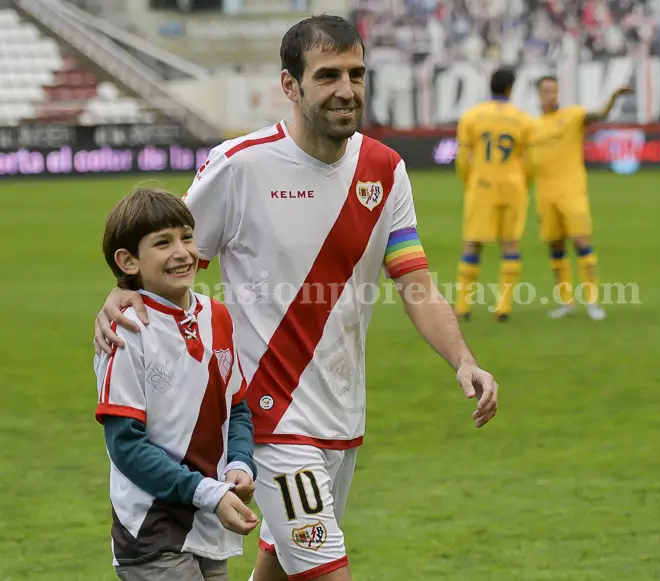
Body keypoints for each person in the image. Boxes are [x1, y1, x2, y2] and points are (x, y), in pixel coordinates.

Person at [93, 15, 499, 581]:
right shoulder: (239, 166)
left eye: (356, 74)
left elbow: (414, 278)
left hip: (343, 411)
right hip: (269, 419)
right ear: (291, 85)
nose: (346, 89)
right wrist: (121, 295)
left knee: (283, 570)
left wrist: (464, 360)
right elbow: (168, 249)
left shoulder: (385, 169)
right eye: (327, 75)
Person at [94, 187, 259, 581]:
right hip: (152, 525)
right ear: (128, 261)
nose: (182, 252)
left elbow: (235, 407)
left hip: (208, 518)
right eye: (162, 243)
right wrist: (206, 492)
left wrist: (239, 461)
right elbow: (126, 444)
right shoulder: (125, 330)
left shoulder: (217, 315)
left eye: (186, 236)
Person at [531, 76, 632, 320]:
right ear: (538, 94)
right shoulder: (531, 126)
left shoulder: (573, 115)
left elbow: (598, 116)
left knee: (582, 244)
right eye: (546, 91)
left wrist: (613, 98)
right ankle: (566, 302)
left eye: (554, 90)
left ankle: (593, 302)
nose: (551, 95)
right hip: (545, 195)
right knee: (555, 248)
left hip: (572, 193)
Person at [453, 67, 534, 321]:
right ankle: (504, 307)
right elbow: (530, 162)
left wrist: (470, 183)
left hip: (482, 186)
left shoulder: (472, 117)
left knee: (472, 244)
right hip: (513, 187)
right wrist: (523, 183)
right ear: (511, 88)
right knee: (510, 245)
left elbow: (461, 159)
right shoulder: (524, 120)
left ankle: (463, 306)